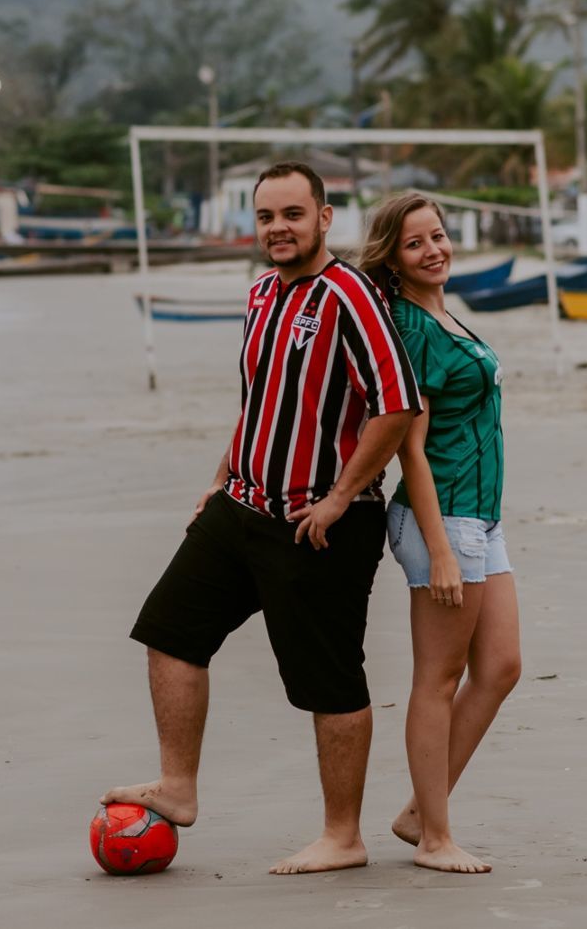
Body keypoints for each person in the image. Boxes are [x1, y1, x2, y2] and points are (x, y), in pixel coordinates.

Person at [102, 161, 421, 875]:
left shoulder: (352, 297)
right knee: (169, 631)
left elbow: (396, 404)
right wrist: (220, 477)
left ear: (324, 217)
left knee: (329, 680)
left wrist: (341, 496)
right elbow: (262, 400)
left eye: (293, 215)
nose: (279, 228)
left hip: (321, 526)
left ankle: (343, 836)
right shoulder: (259, 295)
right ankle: (178, 787)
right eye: (267, 217)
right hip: (241, 507)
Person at [357, 193, 521, 875]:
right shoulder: (409, 331)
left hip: (481, 514)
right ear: (393, 258)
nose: (435, 249)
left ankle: (420, 811)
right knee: (438, 677)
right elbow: (409, 450)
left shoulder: (442, 314)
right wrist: (444, 551)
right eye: (416, 242)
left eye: (440, 235)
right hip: (443, 520)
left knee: (502, 667)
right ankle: (434, 838)